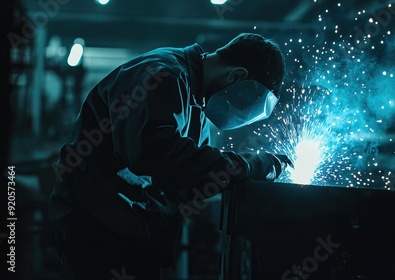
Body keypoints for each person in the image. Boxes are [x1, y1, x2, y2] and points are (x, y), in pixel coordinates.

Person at [48, 33, 292, 279]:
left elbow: (194, 173)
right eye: (248, 105)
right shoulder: (164, 75)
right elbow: (156, 152)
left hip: (128, 229)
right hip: (97, 227)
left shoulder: (196, 104)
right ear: (236, 77)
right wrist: (250, 165)